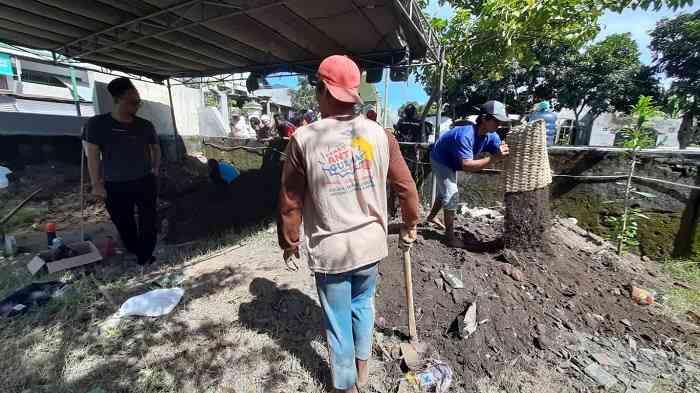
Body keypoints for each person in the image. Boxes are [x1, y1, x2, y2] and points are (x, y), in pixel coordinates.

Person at [278, 55, 420, 393]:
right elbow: (406, 188)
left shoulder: (303, 138)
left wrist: (289, 240)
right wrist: (411, 223)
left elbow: (290, 199)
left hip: (331, 251)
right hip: (369, 246)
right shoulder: (379, 134)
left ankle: (345, 387)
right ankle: (362, 373)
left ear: (324, 90)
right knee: (362, 307)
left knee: (338, 321)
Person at [83, 77, 161, 265]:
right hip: (115, 184)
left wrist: (155, 169)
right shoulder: (97, 125)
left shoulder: (144, 125)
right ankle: (134, 248)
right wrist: (96, 184)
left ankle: (145, 255)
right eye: (133, 102)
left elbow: (156, 148)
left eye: (138, 102)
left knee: (148, 220)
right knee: (124, 222)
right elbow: (92, 155)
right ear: (118, 99)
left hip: (144, 180)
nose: (137, 105)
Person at [425, 100, 510, 247]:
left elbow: (499, 151)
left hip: (453, 160)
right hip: (440, 158)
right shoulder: (465, 135)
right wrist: (494, 158)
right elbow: (467, 166)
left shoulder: (491, 135)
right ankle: (450, 238)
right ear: (484, 118)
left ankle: (431, 218)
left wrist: (504, 151)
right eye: (497, 121)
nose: (499, 125)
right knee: (451, 193)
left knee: (444, 191)